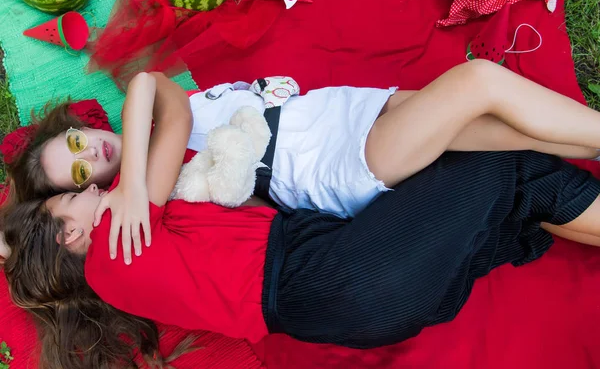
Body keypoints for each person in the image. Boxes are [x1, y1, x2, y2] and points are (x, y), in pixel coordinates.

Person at [4, 66, 600, 368]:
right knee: (494, 145)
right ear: (73, 232)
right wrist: (133, 186)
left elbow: (175, 114)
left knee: (516, 174)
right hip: (337, 274)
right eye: (76, 194)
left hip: (350, 296)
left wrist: (131, 183)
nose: (100, 192)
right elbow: (155, 91)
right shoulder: (117, 246)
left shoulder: (137, 259)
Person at [7, 61, 600, 264]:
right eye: (81, 173)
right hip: (336, 163)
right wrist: (133, 185)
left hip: (344, 114)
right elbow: (145, 84)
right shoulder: (156, 177)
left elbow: (151, 84)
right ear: (93, 192)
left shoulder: (154, 132)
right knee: (478, 82)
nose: (94, 152)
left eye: (78, 142)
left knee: (508, 135)